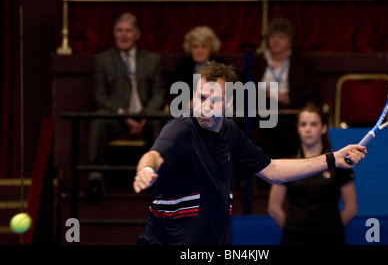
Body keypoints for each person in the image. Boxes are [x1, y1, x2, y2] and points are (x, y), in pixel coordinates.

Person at [132, 61, 366, 245]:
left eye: (215, 99)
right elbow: (155, 154)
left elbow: (273, 170)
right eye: (200, 97)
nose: (205, 106)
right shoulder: (181, 129)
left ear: (229, 102)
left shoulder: (231, 133)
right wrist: (146, 169)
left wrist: (332, 158)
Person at [87, 12, 165, 202]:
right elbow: (100, 97)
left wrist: (144, 117)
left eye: (128, 31)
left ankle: (160, 179)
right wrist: (123, 115)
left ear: (137, 34)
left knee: (161, 121)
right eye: (119, 31)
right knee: (99, 118)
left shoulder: (152, 60)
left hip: (146, 118)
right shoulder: (102, 60)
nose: (123, 35)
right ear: (114, 34)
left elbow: (158, 94)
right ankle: (95, 177)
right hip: (117, 119)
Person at [268, 103, 357, 245]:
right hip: (294, 238)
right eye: (303, 124)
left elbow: (351, 208)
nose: (308, 129)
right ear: (298, 129)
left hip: (331, 238)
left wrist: (330, 230)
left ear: (323, 128)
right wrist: (293, 231)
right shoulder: (287, 164)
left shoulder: (339, 164)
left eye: (313, 124)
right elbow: (274, 208)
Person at [252, 17, 320, 159]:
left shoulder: (302, 62)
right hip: (259, 110)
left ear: (290, 41)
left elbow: (312, 89)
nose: (275, 41)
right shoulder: (257, 61)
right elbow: (248, 86)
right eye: (272, 37)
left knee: (278, 124)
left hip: (289, 112)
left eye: (281, 37)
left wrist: (289, 98)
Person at [169, 26, 223, 111]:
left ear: (211, 48)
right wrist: (189, 104)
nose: (199, 50)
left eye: (204, 46)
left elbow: (228, 95)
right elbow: (175, 98)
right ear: (190, 49)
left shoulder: (220, 66)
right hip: (188, 114)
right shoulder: (182, 67)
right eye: (195, 46)